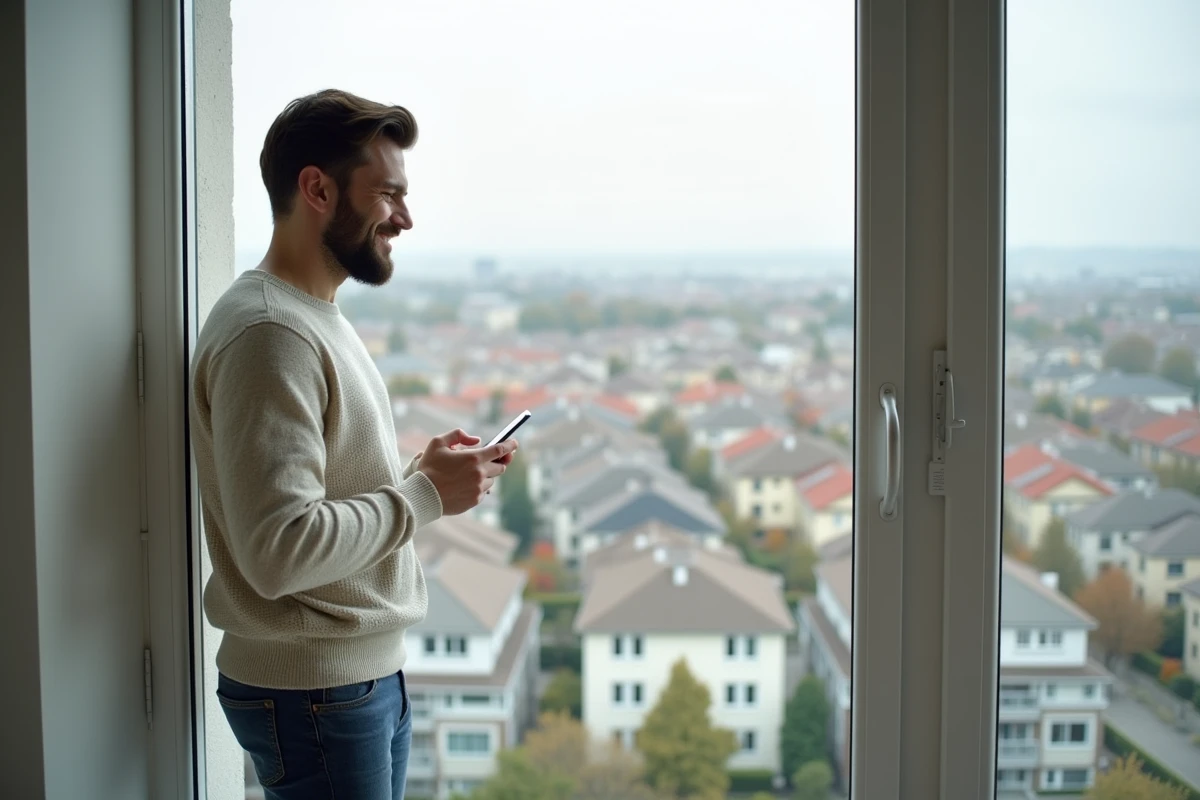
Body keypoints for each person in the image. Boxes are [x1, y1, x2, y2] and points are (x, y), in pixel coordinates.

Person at [189, 89, 517, 800]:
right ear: (317, 189)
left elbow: (320, 497)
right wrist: (423, 496)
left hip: (347, 684)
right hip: (317, 694)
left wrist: (423, 475)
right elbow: (279, 552)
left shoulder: (309, 316)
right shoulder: (271, 333)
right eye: (388, 194)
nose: (404, 218)